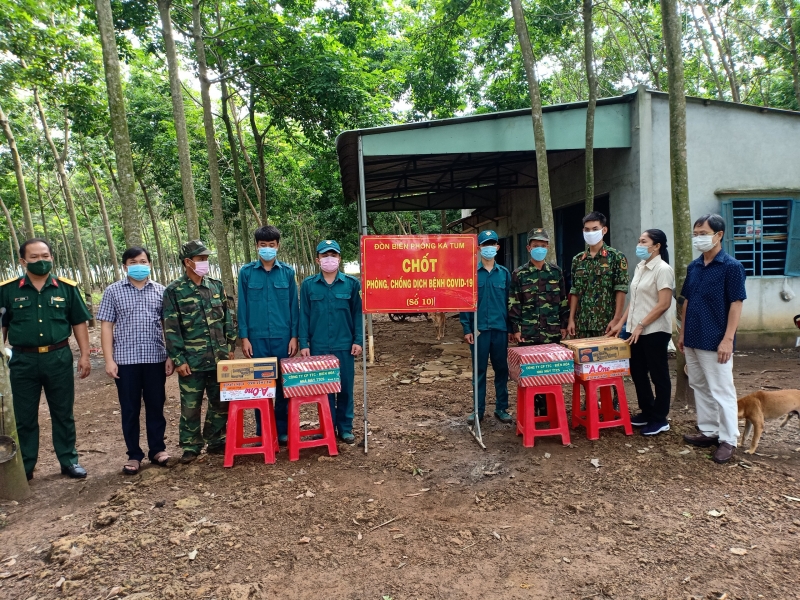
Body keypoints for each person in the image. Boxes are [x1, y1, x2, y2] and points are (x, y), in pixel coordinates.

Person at [0, 238, 92, 480]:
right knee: (24, 416)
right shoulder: (7, 290)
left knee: (63, 412)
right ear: (22, 261)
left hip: (58, 358)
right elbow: (2, 326)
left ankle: (69, 460)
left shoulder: (66, 288)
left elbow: (78, 323)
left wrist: (84, 355)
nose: (41, 261)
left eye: (45, 256)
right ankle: (26, 466)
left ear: (52, 257)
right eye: (34, 257)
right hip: (22, 360)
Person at [97, 247, 174, 474]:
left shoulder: (161, 291)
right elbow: (106, 326)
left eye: (143, 261)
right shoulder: (113, 292)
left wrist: (170, 355)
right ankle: (134, 455)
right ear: (125, 266)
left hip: (154, 359)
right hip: (125, 361)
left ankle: (157, 449)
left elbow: (166, 326)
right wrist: (108, 360)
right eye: (133, 262)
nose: (139, 265)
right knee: (130, 409)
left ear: (150, 264)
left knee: (156, 405)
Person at [679, 214, 746, 464]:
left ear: (719, 235)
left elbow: (736, 303)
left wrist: (728, 339)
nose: (698, 238)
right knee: (699, 385)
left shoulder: (731, 267)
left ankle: (729, 439)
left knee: (722, 390)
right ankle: (709, 430)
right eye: (696, 234)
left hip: (716, 338)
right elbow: (687, 301)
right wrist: (683, 333)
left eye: (703, 233)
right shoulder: (694, 266)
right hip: (693, 337)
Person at [163, 240, 236, 463]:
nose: (205, 262)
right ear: (188, 262)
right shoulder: (174, 291)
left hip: (219, 358)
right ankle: (191, 446)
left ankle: (216, 440)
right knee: (191, 405)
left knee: (221, 401)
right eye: (200, 259)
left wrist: (230, 346)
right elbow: (171, 327)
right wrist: (178, 358)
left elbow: (228, 318)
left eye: (206, 258)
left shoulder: (215, 286)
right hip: (191, 360)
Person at [609, 230, 674, 436]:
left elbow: (663, 304)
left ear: (656, 246)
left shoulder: (663, 269)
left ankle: (659, 418)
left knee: (658, 374)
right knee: (637, 372)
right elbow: (634, 300)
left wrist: (641, 324)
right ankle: (647, 410)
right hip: (634, 330)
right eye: (639, 241)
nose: (639, 244)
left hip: (654, 331)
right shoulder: (640, 267)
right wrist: (621, 322)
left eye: (643, 241)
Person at [237, 225, 299, 445]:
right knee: (261, 387)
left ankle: (282, 431)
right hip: (257, 339)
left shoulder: (288, 272)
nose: (267, 249)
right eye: (263, 245)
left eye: (271, 245)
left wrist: (294, 336)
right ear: (256, 246)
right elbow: (242, 306)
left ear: (278, 246)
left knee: (283, 386)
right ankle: (263, 431)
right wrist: (244, 337)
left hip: (283, 338)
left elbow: (294, 306)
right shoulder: (246, 272)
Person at [298, 240, 362, 444]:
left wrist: (358, 340)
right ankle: (326, 427)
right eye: (325, 256)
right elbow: (304, 316)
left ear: (339, 258)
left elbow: (357, 315)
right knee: (323, 390)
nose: (329, 259)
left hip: (344, 345)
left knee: (344, 388)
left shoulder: (351, 284)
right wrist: (304, 343)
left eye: (333, 255)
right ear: (318, 259)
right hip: (319, 346)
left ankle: (345, 428)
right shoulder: (308, 285)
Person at [508, 228, 568, 414]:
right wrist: (515, 329)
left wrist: (564, 325)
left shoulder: (556, 272)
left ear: (548, 247)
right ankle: (533, 409)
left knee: (551, 371)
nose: (539, 249)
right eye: (536, 246)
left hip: (552, 331)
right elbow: (514, 302)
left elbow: (563, 300)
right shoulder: (519, 274)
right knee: (532, 373)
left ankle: (551, 409)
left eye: (543, 245)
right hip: (528, 332)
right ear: (528, 248)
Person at [459, 230, 512, 425]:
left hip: (500, 330)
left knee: (501, 370)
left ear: (497, 247)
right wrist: (466, 328)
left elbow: (510, 303)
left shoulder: (504, 274)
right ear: (479, 248)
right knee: (479, 371)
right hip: (478, 331)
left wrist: (512, 329)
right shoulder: (471, 275)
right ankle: (477, 410)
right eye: (485, 244)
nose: (489, 248)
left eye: (492, 244)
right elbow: (465, 303)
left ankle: (501, 408)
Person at [568, 211, 629, 338]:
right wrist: (571, 319)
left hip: (606, 323)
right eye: (587, 230)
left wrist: (617, 318)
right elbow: (574, 291)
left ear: (604, 230)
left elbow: (621, 289)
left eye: (595, 229)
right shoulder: (578, 260)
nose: (591, 233)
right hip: (582, 324)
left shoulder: (616, 257)